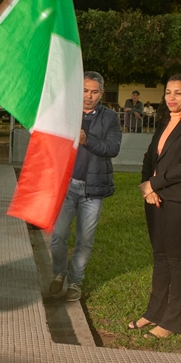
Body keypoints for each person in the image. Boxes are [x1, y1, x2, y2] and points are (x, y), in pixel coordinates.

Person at [49, 71, 122, 302]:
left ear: (101, 93)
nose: (88, 96)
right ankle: (60, 273)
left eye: (93, 91)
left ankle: (75, 282)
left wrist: (86, 140)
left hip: (93, 190)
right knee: (58, 236)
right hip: (67, 187)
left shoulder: (110, 118)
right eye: (84, 90)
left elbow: (113, 148)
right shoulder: (66, 114)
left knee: (84, 240)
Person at [133, 75, 181, 338]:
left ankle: (173, 321)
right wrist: (146, 186)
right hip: (155, 199)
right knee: (160, 258)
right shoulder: (165, 124)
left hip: (175, 199)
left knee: (176, 261)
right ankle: (153, 313)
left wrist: (154, 183)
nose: (172, 98)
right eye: (168, 92)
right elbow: (149, 156)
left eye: (178, 93)